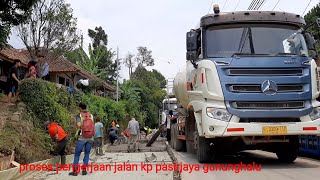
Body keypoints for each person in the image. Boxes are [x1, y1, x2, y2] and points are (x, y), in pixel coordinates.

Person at [69, 103, 95, 176]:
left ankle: (75, 171)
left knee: (77, 154)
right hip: (90, 137)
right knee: (87, 154)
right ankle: (84, 170)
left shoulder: (79, 115)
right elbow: (93, 125)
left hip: (82, 137)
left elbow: (78, 125)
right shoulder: (91, 115)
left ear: (80, 108)